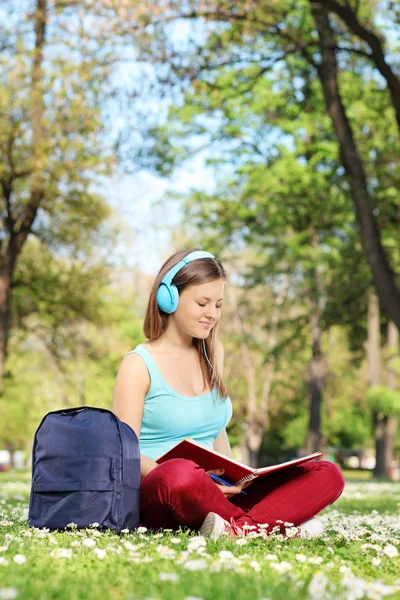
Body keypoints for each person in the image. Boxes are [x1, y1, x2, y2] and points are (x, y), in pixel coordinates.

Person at [111, 249, 345, 539]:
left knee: (326, 473)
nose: (212, 314)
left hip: (216, 491)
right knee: (179, 473)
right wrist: (201, 483)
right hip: (164, 491)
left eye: (218, 305)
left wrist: (239, 478)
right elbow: (123, 454)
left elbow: (215, 429)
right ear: (168, 298)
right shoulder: (138, 364)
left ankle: (235, 529)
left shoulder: (212, 354)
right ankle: (271, 528)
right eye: (202, 303)